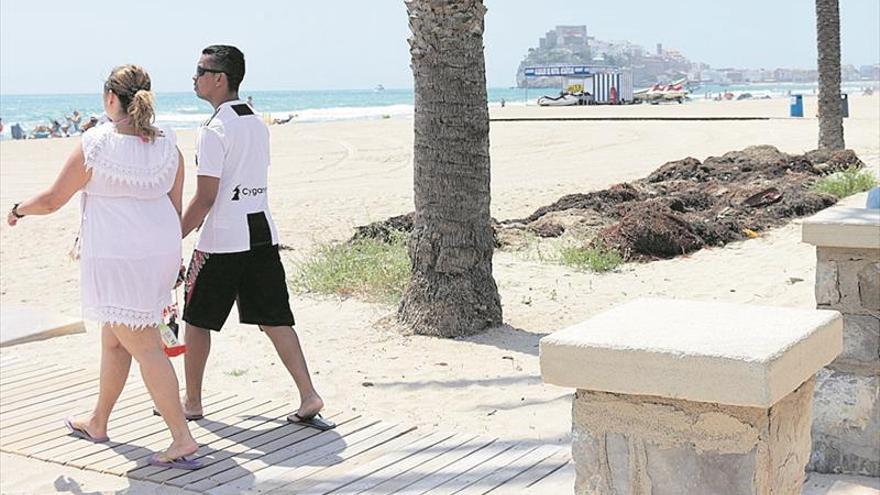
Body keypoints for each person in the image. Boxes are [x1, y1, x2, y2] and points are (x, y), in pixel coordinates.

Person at [6, 65, 202, 470]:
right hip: (159, 252)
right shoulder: (168, 146)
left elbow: (52, 199)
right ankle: (99, 420)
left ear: (112, 99)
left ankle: (182, 438)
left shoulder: (95, 144)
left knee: (144, 344)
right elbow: (174, 205)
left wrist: (17, 210)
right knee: (115, 338)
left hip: (119, 257)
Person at [180, 45, 332, 430]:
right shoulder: (256, 122)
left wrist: (172, 235)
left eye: (201, 70)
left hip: (222, 240)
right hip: (261, 234)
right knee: (276, 318)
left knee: (197, 320)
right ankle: (308, 394)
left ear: (220, 78)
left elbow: (206, 198)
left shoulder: (213, 130)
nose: (194, 77)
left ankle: (192, 402)